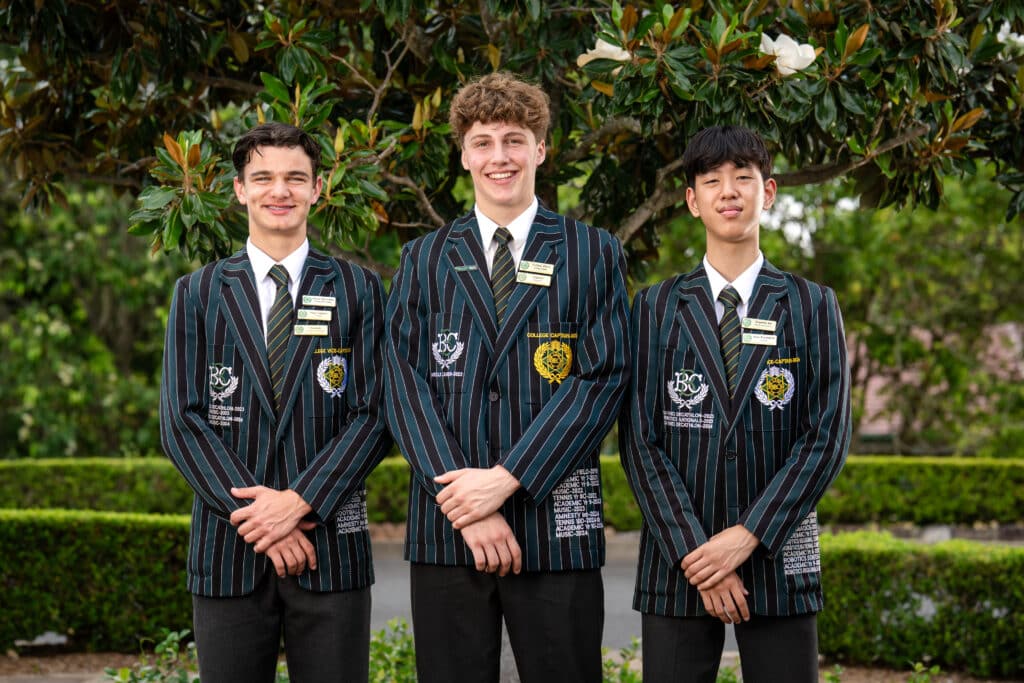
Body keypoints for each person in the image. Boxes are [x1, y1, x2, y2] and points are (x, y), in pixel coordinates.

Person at [384, 72, 629, 683]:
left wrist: (508, 479)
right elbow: (402, 382)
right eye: (485, 141)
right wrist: (469, 505)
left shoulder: (592, 252)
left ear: (540, 149)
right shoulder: (423, 259)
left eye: (514, 139)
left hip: (556, 525)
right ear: (464, 154)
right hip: (448, 529)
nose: (501, 156)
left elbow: (601, 378)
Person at [159, 122, 391, 683]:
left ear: (317, 188)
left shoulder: (358, 290)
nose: (279, 191)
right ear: (239, 189)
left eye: (295, 178)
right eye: (263, 178)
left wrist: (301, 502)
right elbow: (181, 423)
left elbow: (375, 415)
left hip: (330, 548)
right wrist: (264, 520)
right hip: (228, 554)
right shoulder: (197, 293)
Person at [619, 125, 851, 683]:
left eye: (743, 178)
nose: (730, 191)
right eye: (713, 180)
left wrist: (747, 536)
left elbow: (826, 438)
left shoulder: (811, 304)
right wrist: (701, 555)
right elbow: (638, 440)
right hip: (680, 562)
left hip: (778, 557)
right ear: (693, 201)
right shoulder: (654, 307)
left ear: (767, 192)